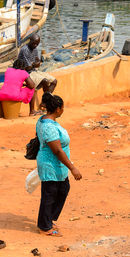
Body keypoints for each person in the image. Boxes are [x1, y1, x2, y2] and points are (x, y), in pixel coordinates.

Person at [35, 93, 82, 237]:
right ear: (57, 109)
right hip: (51, 165)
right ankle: (44, 227)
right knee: (49, 195)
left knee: (62, 189)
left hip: (58, 166)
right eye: (62, 108)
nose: (63, 110)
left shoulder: (45, 120)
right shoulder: (49, 127)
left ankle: (49, 219)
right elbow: (57, 150)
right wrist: (72, 168)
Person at [18, 34, 57, 112]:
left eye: (37, 44)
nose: (35, 45)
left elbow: (37, 64)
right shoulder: (25, 50)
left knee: (54, 81)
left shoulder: (35, 49)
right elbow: (28, 68)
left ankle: (44, 103)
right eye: (34, 43)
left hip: (34, 71)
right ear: (30, 40)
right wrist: (34, 64)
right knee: (45, 81)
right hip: (26, 73)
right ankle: (46, 104)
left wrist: (34, 64)